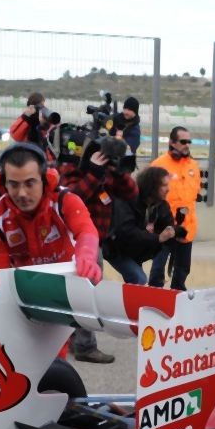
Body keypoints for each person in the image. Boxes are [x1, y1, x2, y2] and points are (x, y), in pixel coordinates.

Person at [59, 140, 139, 363]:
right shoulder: (72, 170)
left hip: (97, 241)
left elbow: (132, 193)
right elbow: (71, 198)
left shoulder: (108, 173)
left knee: (83, 293)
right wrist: (93, 173)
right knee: (87, 293)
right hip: (77, 242)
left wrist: (120, 171)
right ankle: (85, 346)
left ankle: (76, 341)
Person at [0, 142, 101, 289]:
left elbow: (86, 231)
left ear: (46, 179)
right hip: (28, 288)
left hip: (71, 282)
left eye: (30, 183)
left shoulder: (65, 200)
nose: (22, 193)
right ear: (2, 184)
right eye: (13, 184)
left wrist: (87, 254)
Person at [103, 166, 179, 285]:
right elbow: (127, 232)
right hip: (117, 249)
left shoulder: (160, 204)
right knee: (139, 278)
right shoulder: (129, 200)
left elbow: (168, 225)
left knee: (139, 281)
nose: (168, 189)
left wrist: (173, 230)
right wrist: (157, 238)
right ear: (152, 186)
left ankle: (155, 285)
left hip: (136, 251)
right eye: (164, 185)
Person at [148, 127, 201, 290]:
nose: (187, 145)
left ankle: (177, 296)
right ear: (172, 142)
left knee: (182, 269)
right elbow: (148, 196)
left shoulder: (193, 166)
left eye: (188, 141)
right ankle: (154, 296)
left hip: (186, 226)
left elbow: (194, 194)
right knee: (157, 269)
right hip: (164, 225)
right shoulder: (159, 165)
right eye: (183, 141)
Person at [10, 92, 58, 163]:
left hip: (40, 157)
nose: (41, 108)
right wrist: (26, 116)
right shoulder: (26, 119)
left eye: (42, 106)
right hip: (28, 157)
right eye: (41, 105)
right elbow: (15, 135)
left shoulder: (45, 119)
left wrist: (46, 122)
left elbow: (52, 138)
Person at [111, 96, 142, 165]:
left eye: (129, 110)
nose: (125, 112)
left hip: (124, 163)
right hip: (111, 158)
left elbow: (130, 149)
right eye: (125, 108)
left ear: (135, 112)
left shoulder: (135, 130)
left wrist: (119, 138)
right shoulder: (117, 118)